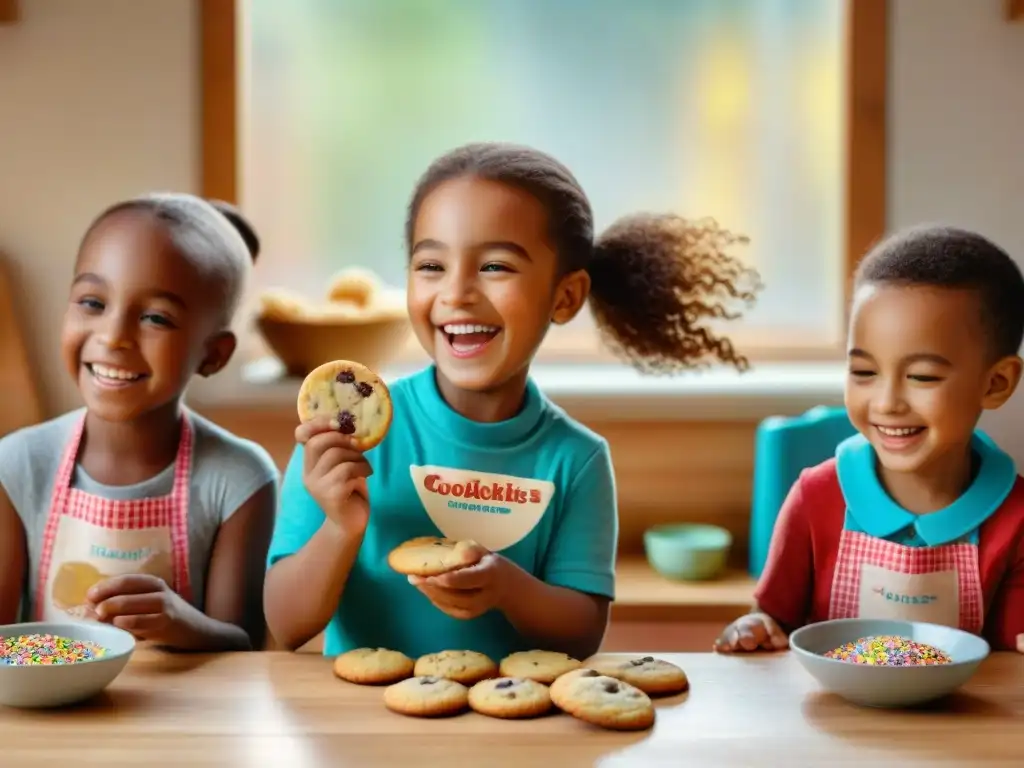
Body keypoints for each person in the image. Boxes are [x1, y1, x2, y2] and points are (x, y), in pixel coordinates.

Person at [265, 142, 762, 661]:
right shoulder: (342, 438)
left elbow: (582, 633)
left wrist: (508, 588)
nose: (456, 293)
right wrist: (339, 527)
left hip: (512, 732)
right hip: (366, 732)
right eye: (431, 265)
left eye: (495, 266)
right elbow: (285, 624)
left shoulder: (576, 461)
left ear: (564, 297)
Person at [715, 225, 1024, 654]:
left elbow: (1012, 663)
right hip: (830, 720)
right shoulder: (815, 497)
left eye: (922, 377)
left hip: (961, 721)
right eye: (864, 372)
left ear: (996, 383)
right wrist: (752, 630)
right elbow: (772, 625)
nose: (887, 402)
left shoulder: (1016, 518)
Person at [0, 193, 279, 651]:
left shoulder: (241, 479)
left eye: (155, 317)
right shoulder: (17, 464)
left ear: (213, 354)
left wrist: (180, 622)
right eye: (92, 302)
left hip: (181, 721)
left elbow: (244, 647)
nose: (113, 337)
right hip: (50, 719)